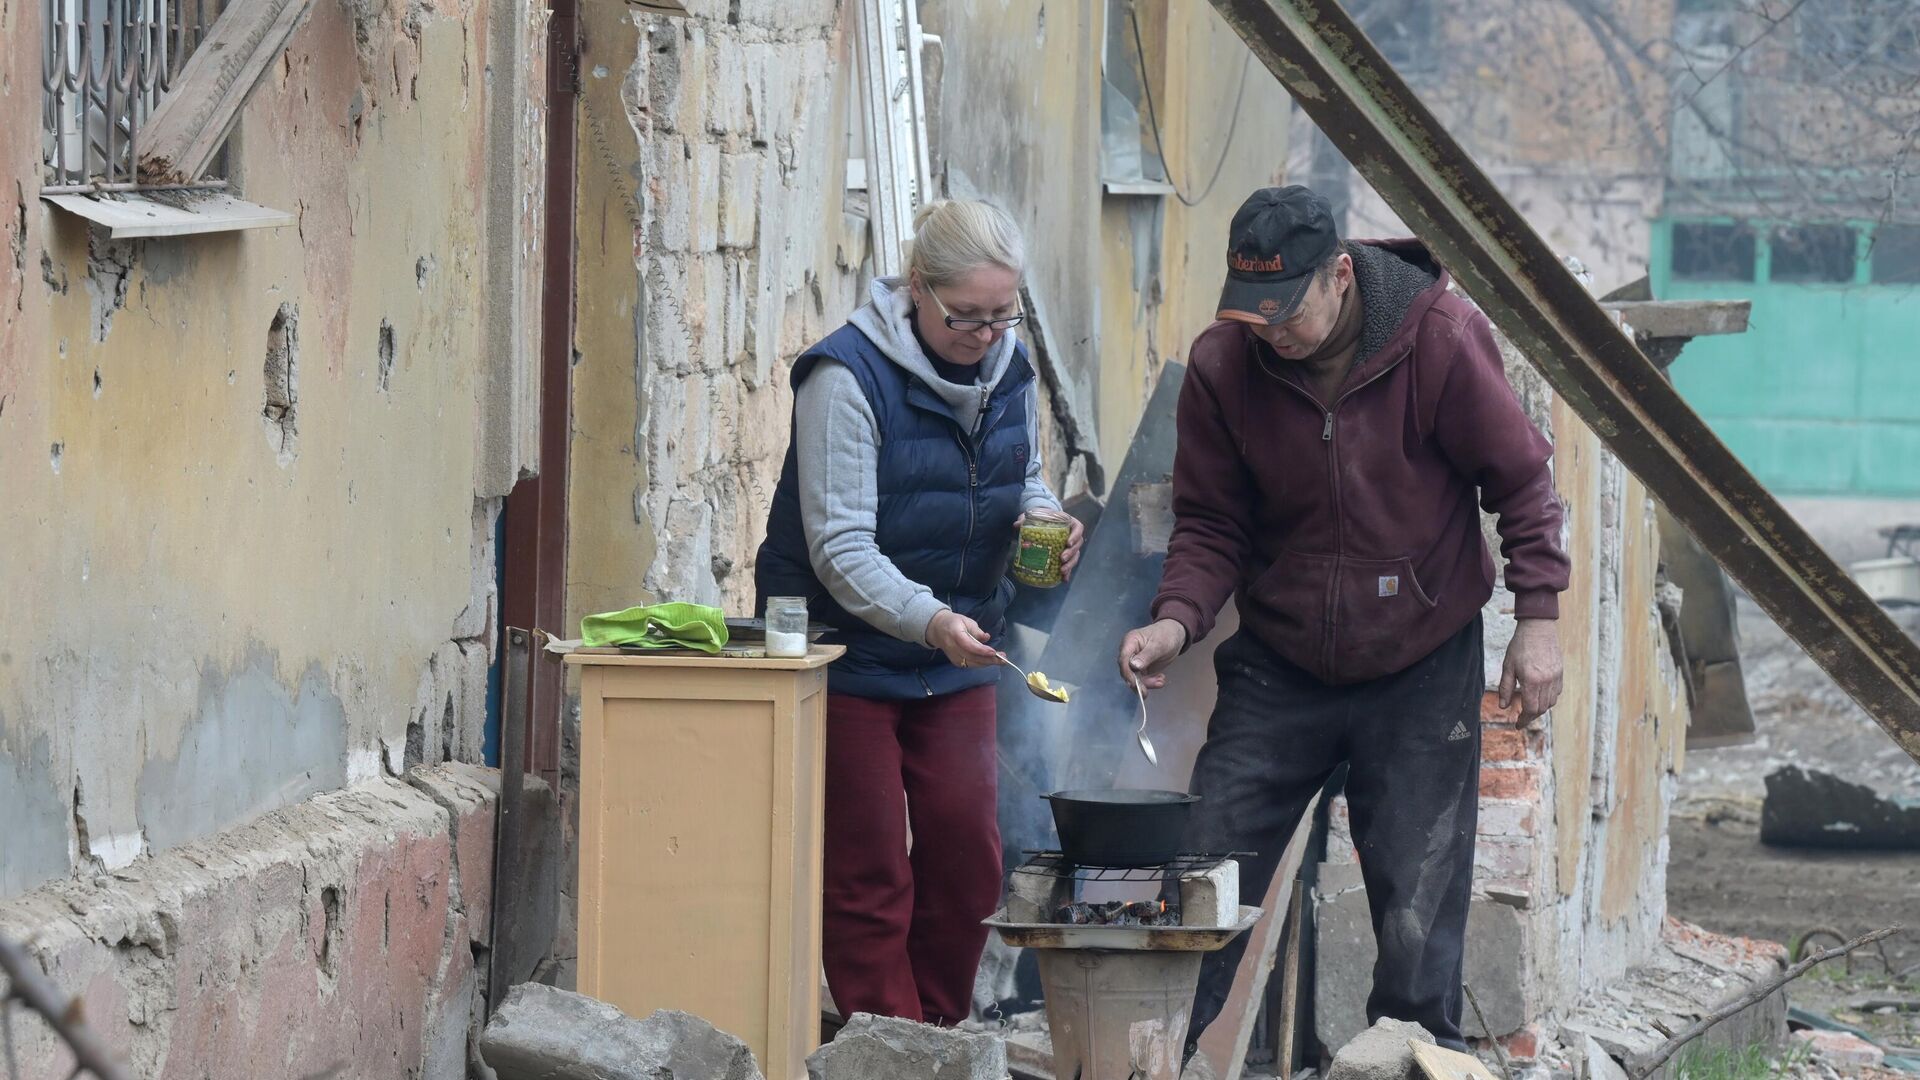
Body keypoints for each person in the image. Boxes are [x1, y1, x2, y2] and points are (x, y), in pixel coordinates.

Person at [1116, 186, 1571, 1055]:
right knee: (1205, 879)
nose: (1271, 332)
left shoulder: (1438, 340)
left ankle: (1407, 1061)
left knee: (1416, 907)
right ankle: (1151, 1060)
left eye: (1286, 312)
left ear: (1339, 275)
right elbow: (1211, 521)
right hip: (1279, 664)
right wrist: (1176, 621)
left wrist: (1538, 617)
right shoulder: (1224, 365)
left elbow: (1520, 482)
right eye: (1254, 314)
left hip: (1420, 660)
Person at [756, 199, 1085, 1026]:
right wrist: (930, 619)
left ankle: (936, 1035)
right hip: (847, 650)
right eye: (966, 317)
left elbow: (1023, 477)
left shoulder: (1009, 367)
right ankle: (886, 1045)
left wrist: (1049, 520)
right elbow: (839, 548)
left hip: (959, 646)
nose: (986, 334)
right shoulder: (846, 377)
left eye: (1001, 314)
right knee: (871, 873)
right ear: (916, 290)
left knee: (970, 861)